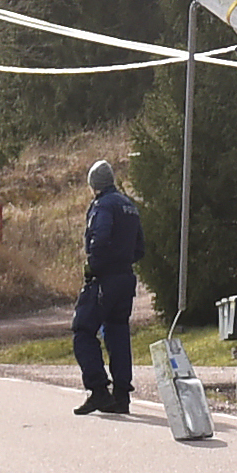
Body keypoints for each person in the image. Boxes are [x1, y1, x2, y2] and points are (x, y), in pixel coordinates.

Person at [72, 159, 145, 416]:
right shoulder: (129, 205)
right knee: (117, 332)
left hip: (104, 279)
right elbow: (140, 248)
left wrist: (95, 263)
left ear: (94, 185)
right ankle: (122, 395)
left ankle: (99, 390)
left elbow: (99, 237)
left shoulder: (102, 206)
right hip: (126, 278)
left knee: (83, 330)